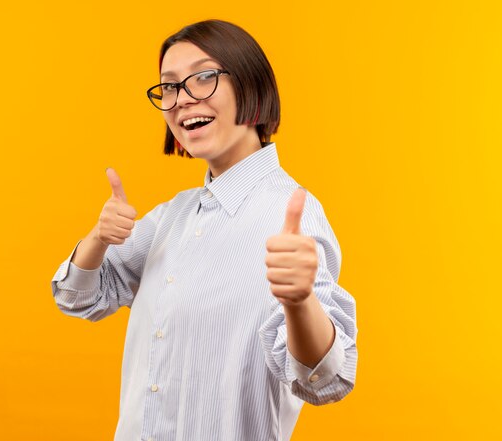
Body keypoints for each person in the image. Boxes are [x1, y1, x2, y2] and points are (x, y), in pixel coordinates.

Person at [51, 19, 357, 441]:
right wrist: (98, 239)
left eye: (204, 77)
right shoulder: (170, 218)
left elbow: (326, 379)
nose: (181, 100)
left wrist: (300, 300)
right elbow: (77, 297)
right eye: (170, 87)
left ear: (249, 84)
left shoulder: (289, 214)